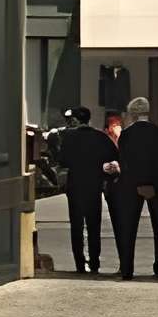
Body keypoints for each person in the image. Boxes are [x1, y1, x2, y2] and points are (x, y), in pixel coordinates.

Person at [111, 95, 158, 281]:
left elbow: (126, 163)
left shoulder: (127, 135)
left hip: (132, 187)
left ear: (132, 114)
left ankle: (127, 269)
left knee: (129, 228)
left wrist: (139, 184)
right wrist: (154, 184)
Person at [52, 106, 118, 276]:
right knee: (94, 226)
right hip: (94, 187)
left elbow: (62, 160)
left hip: (75, 187)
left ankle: (80, 263)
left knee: (77, 226)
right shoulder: (100, 137)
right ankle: (95, 262)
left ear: (75, 120)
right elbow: (114, 156)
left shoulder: (69, 138)